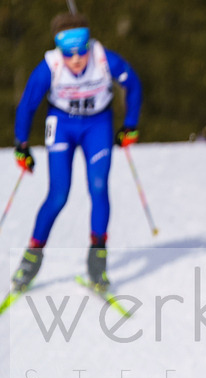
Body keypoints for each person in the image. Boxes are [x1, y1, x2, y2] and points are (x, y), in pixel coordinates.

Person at [11, 12, 142, 292]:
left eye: (80, 51)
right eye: (68, 53)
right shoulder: (50, 66)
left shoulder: (104, 58)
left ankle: (97, 262)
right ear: (60, 50)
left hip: (98, 125)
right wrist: (21, 145)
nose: (76, 60)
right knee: (58, 195)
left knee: (98, 187)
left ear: (88, 44)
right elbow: (27, 106)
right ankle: (31, 258)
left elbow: (133, 85)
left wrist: (130, 124)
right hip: (62, 125)